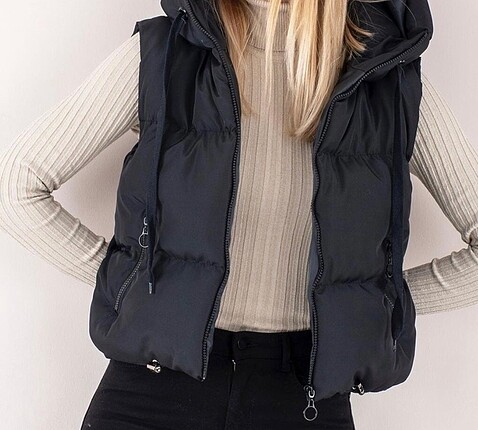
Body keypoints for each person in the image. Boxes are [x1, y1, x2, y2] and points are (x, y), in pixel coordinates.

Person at [0, 0, 477, 428]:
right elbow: (18, 184)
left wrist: (371, 302)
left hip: (302, 397)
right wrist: (131, 281)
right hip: (151, 394)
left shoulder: (386, 75)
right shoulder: (165, 54)